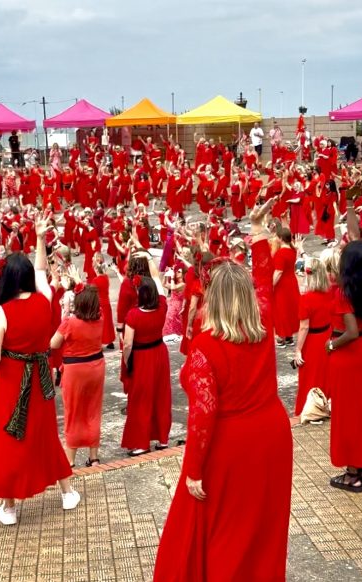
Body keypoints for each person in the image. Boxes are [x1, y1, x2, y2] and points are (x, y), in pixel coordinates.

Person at [153, 198, 293, 581]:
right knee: (264, 528)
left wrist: (194, 470)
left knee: (226, 532)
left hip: (230, 445)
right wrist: (260, 230)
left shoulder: (206, 346)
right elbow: (263, 277)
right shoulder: (262, 323)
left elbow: (203, 412)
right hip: (272, 435)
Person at [0, 214, 80, 526]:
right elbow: (42, 270)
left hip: (12, 381)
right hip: (40, 376)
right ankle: (67, 492)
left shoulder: (0, 312)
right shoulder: (44, 300)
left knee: (9, 440)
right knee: (45, 435)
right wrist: (40, 238)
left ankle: (10, 507)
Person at [326, 209, 362, 492]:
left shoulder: (343, 292)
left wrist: (329, 345)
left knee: (347, 416)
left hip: (348, 353)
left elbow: (347, 332)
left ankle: (352, 473)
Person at [50, 287, 105, 467]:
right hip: (96, 366)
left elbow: (54, 344)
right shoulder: (100, 319)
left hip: (75, 369)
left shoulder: (70, 323)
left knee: (73, 412)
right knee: (93, 410)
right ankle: (94, 456)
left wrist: (65, 313)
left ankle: (70, 459)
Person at [121, 274, 171, 456]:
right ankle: (163, 439)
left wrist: (126, 362)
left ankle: (142, 442)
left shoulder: (133, 315)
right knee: (161, 396)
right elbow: (159, 282)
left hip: (142, 358)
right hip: (160, 353)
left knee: (141, 399)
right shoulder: (162, 307)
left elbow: (127, 344)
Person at [293, 253, 335, 418]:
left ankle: (310, 410)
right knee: (326, 374)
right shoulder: (330, 291)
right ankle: (326, 405)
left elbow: (304, 327)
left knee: (309, 377)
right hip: (327, 335)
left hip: (312, 341)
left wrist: (298, 350)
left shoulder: (306, 299)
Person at [272, 227, 301, 346]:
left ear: (280, 238)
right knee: (290, 309)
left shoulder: (280, 253)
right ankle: (289, 336)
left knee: (281, 310)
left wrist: (271, 285)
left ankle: (281, 337)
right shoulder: (293, 250)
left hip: (282, 284)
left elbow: (278, 272)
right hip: (291, 282)